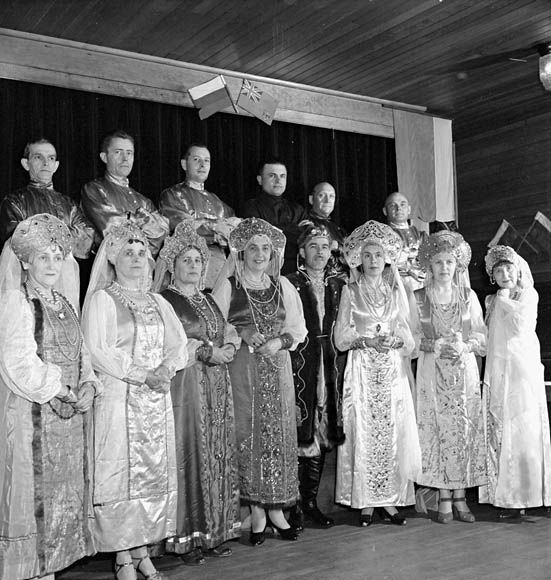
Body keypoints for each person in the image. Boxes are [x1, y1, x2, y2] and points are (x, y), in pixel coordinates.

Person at [82, 221, 188, 580]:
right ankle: (123, 556)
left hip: (155, 403)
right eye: (128, 252)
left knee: (149, 473)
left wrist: (167, 369)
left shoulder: (158, 301)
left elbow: (179, 345)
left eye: (142, 253)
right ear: (112, 257)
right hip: (118, 398)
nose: (137, 259)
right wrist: (143, 374)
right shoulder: (103, 299)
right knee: (122, 474)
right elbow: (98, 350)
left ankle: (143, 551)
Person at [0, 213, 99, 580]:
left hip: (69, 421)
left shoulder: (63, 301)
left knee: (61, 504)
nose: (53, 264)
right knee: (31, 501)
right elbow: (17, 362)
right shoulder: (16, 301)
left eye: (58, 256)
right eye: (44, 257)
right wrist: (60, 389)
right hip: (31, 417)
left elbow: (82, 353)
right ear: (25, 261)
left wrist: (89, 384)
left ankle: (48, 573)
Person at [212, 217, 307, 546]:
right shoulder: (230, 286)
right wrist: (240, 332)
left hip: (277, 368)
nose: (259, 254)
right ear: (240, 251)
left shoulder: (284, 286)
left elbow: (298, 328)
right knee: (249, 432)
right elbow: (214, 324)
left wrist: (280, 341)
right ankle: (255, 511)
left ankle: (277, 509)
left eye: (266, 248)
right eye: (252, 247)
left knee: (277, 433)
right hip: (243, 369)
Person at [154, 221, 240, 564]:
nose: (193, 266)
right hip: (186, 385)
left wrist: (230, 344)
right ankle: (185, 539)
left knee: (216, 451)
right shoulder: (165, 300)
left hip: (217, 384)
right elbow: (168, 343)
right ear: (172, 265)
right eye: (186, 260)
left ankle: (214, 532)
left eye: (197, 261)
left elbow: (225, 328)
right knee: (190, 452)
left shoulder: (206, 298)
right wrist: (207, 352)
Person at [334, 220, 421, 527]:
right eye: (367, 255)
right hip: (362, 368)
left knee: (392, 432)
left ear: (387, 260)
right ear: (359, 258)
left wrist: (396, 341)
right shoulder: (350, 291)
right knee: (365, 432)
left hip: (391, 370)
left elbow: (407, 335)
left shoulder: (396, 292)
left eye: (378, 255)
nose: (372, 260)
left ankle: (392, 502)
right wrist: (365, 340)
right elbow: (340, 337)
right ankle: (366, 502)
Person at [412, 230, 487, 524]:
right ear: (430, 266)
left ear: (457, 267)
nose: (444, 267)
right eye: (439, 262)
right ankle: (443, 494)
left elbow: (481, 334)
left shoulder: (469, 296)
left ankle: (460, 496)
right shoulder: (418, 298)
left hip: (463, 370)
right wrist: (434, 344)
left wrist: (466, 344)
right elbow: (411, 338)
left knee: (463, 429)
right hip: (433, 370)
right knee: (438, 428)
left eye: (450, 262)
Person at [480, 245, 551, 518]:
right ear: (492, 276)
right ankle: (507, 497)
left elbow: (521, 326)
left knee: (522, 429)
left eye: (509, 268)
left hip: (522, 372)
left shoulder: (527, 294)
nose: (505, 273)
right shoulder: (491, 301)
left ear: (518, 269)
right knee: (502, 428)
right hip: (499, 370)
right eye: (498, 270)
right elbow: (489, 337)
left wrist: (505, 297)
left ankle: (527, 494)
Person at [286, 223, 347, 529]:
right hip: (302, 362)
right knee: (302, 427)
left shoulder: (339, 285)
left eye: (324, 247)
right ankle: (293, 504)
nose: (320, 252)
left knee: (322, 431)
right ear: (301, 252)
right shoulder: (290, 283)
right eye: (313, 247)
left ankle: (310, 502)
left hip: (330, 362)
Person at [159, 143, 239, 290]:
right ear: (184, 164)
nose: (202, 165)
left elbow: (235, 228)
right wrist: (216, 227)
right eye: (196, 159)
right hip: (187, 270)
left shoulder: (217, 201)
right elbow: (181, 226)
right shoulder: (172, 195)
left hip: (218, 272)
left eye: (206, 161)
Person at [0, 138, 95, 256]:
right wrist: (65, 234)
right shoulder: (14, 202)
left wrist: (41, 233)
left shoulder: (69, 204)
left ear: (56, 166)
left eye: (51, 158)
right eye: (38, 157)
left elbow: (87, 238)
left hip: (66, 272)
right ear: (26, 164)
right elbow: (17, 241)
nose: (46, 163)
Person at [81, 130, 169, 257]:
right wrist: (145, 222)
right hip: (108, 269)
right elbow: (110, 228)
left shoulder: (143, 200)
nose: (125, 158)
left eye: (129, 153)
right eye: (118, 152)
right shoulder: (94, 189)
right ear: (104, 157)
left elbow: (161, 236)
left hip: (143, 267)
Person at [241, 159, 308, 275]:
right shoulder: (251, 207)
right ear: (260, 180)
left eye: (282, 176)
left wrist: (275, 230)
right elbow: (260, 237)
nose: (278, 180)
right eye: (272, 176)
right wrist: (295, 230)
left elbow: (307, 237)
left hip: (297, 274)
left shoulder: (297, 209)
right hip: (263, 273)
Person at [382, 191, 427, 292]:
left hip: (421, 285)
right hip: (395, 287)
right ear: (385, 211)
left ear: (409, 209)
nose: (399, 209)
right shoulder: (381, 236)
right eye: (393, 206)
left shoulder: (421, 236)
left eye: (403, 204)